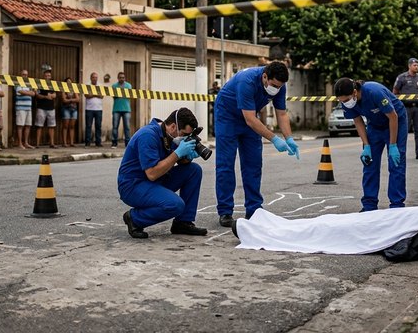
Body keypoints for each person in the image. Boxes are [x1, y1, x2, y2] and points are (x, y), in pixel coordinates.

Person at [214, 61, 299, 227]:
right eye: (274, 85)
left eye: (279, 86)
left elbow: (281, 113)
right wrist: (274, 139)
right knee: (225, 165)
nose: (276, 89)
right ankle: (225, 211)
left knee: (253, 163)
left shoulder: (279, 86)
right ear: (265, 76)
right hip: (228, 116)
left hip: (250, 117)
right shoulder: (246, 81)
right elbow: (250, 120)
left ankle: (254, 209)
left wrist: (289, 138)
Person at [118, 108, 207, 239]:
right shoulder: (147, 135)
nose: (183, 138)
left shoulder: (170, 135)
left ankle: (183, 222)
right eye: (183, 134)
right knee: (175, 205)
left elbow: (179, 162)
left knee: (194, 170)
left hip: (154, 182)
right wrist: (177, 153)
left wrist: (187, 156)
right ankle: (135, 219)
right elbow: (152, 173)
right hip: (133, 186)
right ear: (173, 126)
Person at [333, 77, 407, 212]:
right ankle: (369, 205)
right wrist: (366, 145)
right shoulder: (347, 101)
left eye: (346, 99)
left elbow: (393, 116)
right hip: (375, 125)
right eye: (341, 100)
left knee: (396, 163)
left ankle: (397, 206)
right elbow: (358, 121)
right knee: (369, 163)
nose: (344, 103)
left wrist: (393, 144)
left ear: (355, 92)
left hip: (396, 121)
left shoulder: (374, 91)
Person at [392, 58, 418, 160]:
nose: (416, 67)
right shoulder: (402, 77)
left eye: (417, 65)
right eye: (414, 65)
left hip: (417, 108)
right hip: (405, 108)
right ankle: (401, 152)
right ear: (409, 66)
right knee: (404, 131)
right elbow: (395, 91)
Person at [34, 69, 57, 148]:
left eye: (49, 76)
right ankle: (37, 144)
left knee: (51, 126)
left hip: (51, 108)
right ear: (43, 76)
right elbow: (37, 95)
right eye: (46, 75)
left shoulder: (53, 84)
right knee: (39, 126)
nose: (47, 77)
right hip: (41, 108)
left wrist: (51, 96)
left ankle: (52, 143)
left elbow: (55, 94)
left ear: (51, 77)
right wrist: (45, 97)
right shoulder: (39, 84)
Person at [14, 69, 36, 149]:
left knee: (28, 125)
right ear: (20, 75)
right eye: (23, 74)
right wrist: (29, 93)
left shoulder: (29, 84)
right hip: (20, 107)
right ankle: (20, 143)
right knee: (20, 126)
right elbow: (19, 91)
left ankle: (26, 143)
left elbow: (34, 93)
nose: (25, 76)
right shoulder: (17, 83)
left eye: (26, 75)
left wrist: (27, 92)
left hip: (28, 107)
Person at [111, 71, 132, 148]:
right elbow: (114, 96)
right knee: (115, 127)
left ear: (125, 78)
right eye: (120, 77)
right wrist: (121, 94)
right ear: (118, 78)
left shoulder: (128, 86)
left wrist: (120, 94)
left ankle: (128, 144)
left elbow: (129, 95)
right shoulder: (114, 86)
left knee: (127, 127)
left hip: (126, 109)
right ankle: (114, 143)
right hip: (116, 109)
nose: (122, 79)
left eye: (123, 77)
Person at [84, 72, 104, 147]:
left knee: (98, 126)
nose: (95, 79)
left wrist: (92, 94)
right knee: (88, 126)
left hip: (99, 109)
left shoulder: (100, 85)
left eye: (96, 77)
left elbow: (102, 96)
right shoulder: (87, 85)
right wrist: (96, 94)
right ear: (91, 78)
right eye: (93, 77)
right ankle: (87, 142)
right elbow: (87, 95)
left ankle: (98, 142)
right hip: (89, 109)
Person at [60, 77, 80, 147]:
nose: (69, 83)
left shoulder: (74, 89)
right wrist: (72, 99)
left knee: (72, 126)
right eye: (67, 81)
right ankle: (64, 143)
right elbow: (63, 100)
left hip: (74, 109)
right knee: (65, 126)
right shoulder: (63, 89)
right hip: (66, 109)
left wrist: (69, 99)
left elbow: (78, 99)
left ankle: (71, 142)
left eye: (70, 81)